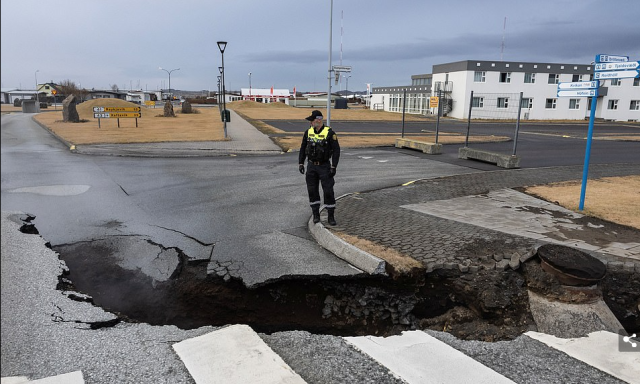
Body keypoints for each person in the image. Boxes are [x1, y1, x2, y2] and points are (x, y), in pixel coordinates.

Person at [298, 110, 340, 225]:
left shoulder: (330, 133)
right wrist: (301, 163)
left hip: (324, 166)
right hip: (311, 166)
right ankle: (316, 215)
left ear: (319, 120)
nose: (310, 122)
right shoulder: (308, 132)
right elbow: (303, 148)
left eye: (312, 120)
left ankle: (330, 216)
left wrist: (333, 166)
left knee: (328, 191)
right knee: (312, 190)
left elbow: (336, 151)